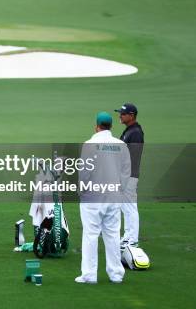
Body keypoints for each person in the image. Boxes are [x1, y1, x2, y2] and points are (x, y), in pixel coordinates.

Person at [75, 112, 131, 284]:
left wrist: (81, 189)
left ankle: (89, 275)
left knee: (90, 235)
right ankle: (116, 275)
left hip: (93, 197)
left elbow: (85, 171)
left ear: (96, 126)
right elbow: (126, 171)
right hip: (113, 196)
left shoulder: (90, 144)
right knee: (113, 234)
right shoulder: (121, 145)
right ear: (110, 126)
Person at [115, 103, 144, 248]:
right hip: (125, 175)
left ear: (131, 116)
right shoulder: (129, 131)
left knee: (130, 206)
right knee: (125, 207)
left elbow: (133, 156)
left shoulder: (136, 133)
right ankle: (128, 237)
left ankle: (132, 239)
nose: (120, 115)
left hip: (129, 176)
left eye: (123, 113)